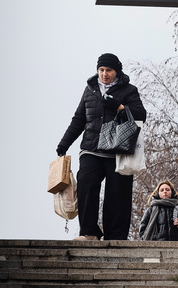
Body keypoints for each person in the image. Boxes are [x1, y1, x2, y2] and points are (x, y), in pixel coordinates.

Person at [57, 53, 146, 241]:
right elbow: (79, 119)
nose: (104, 74)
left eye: (109, 70)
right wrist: (64, 143)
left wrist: (119, 106)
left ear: (117, 71)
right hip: (91, 148)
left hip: (118, 151)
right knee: (86, 186)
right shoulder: (90, 89)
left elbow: (141, 115)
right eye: (101, 70)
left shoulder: (129, 90)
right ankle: (89, 232)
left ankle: (115, 237)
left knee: (117, 195)